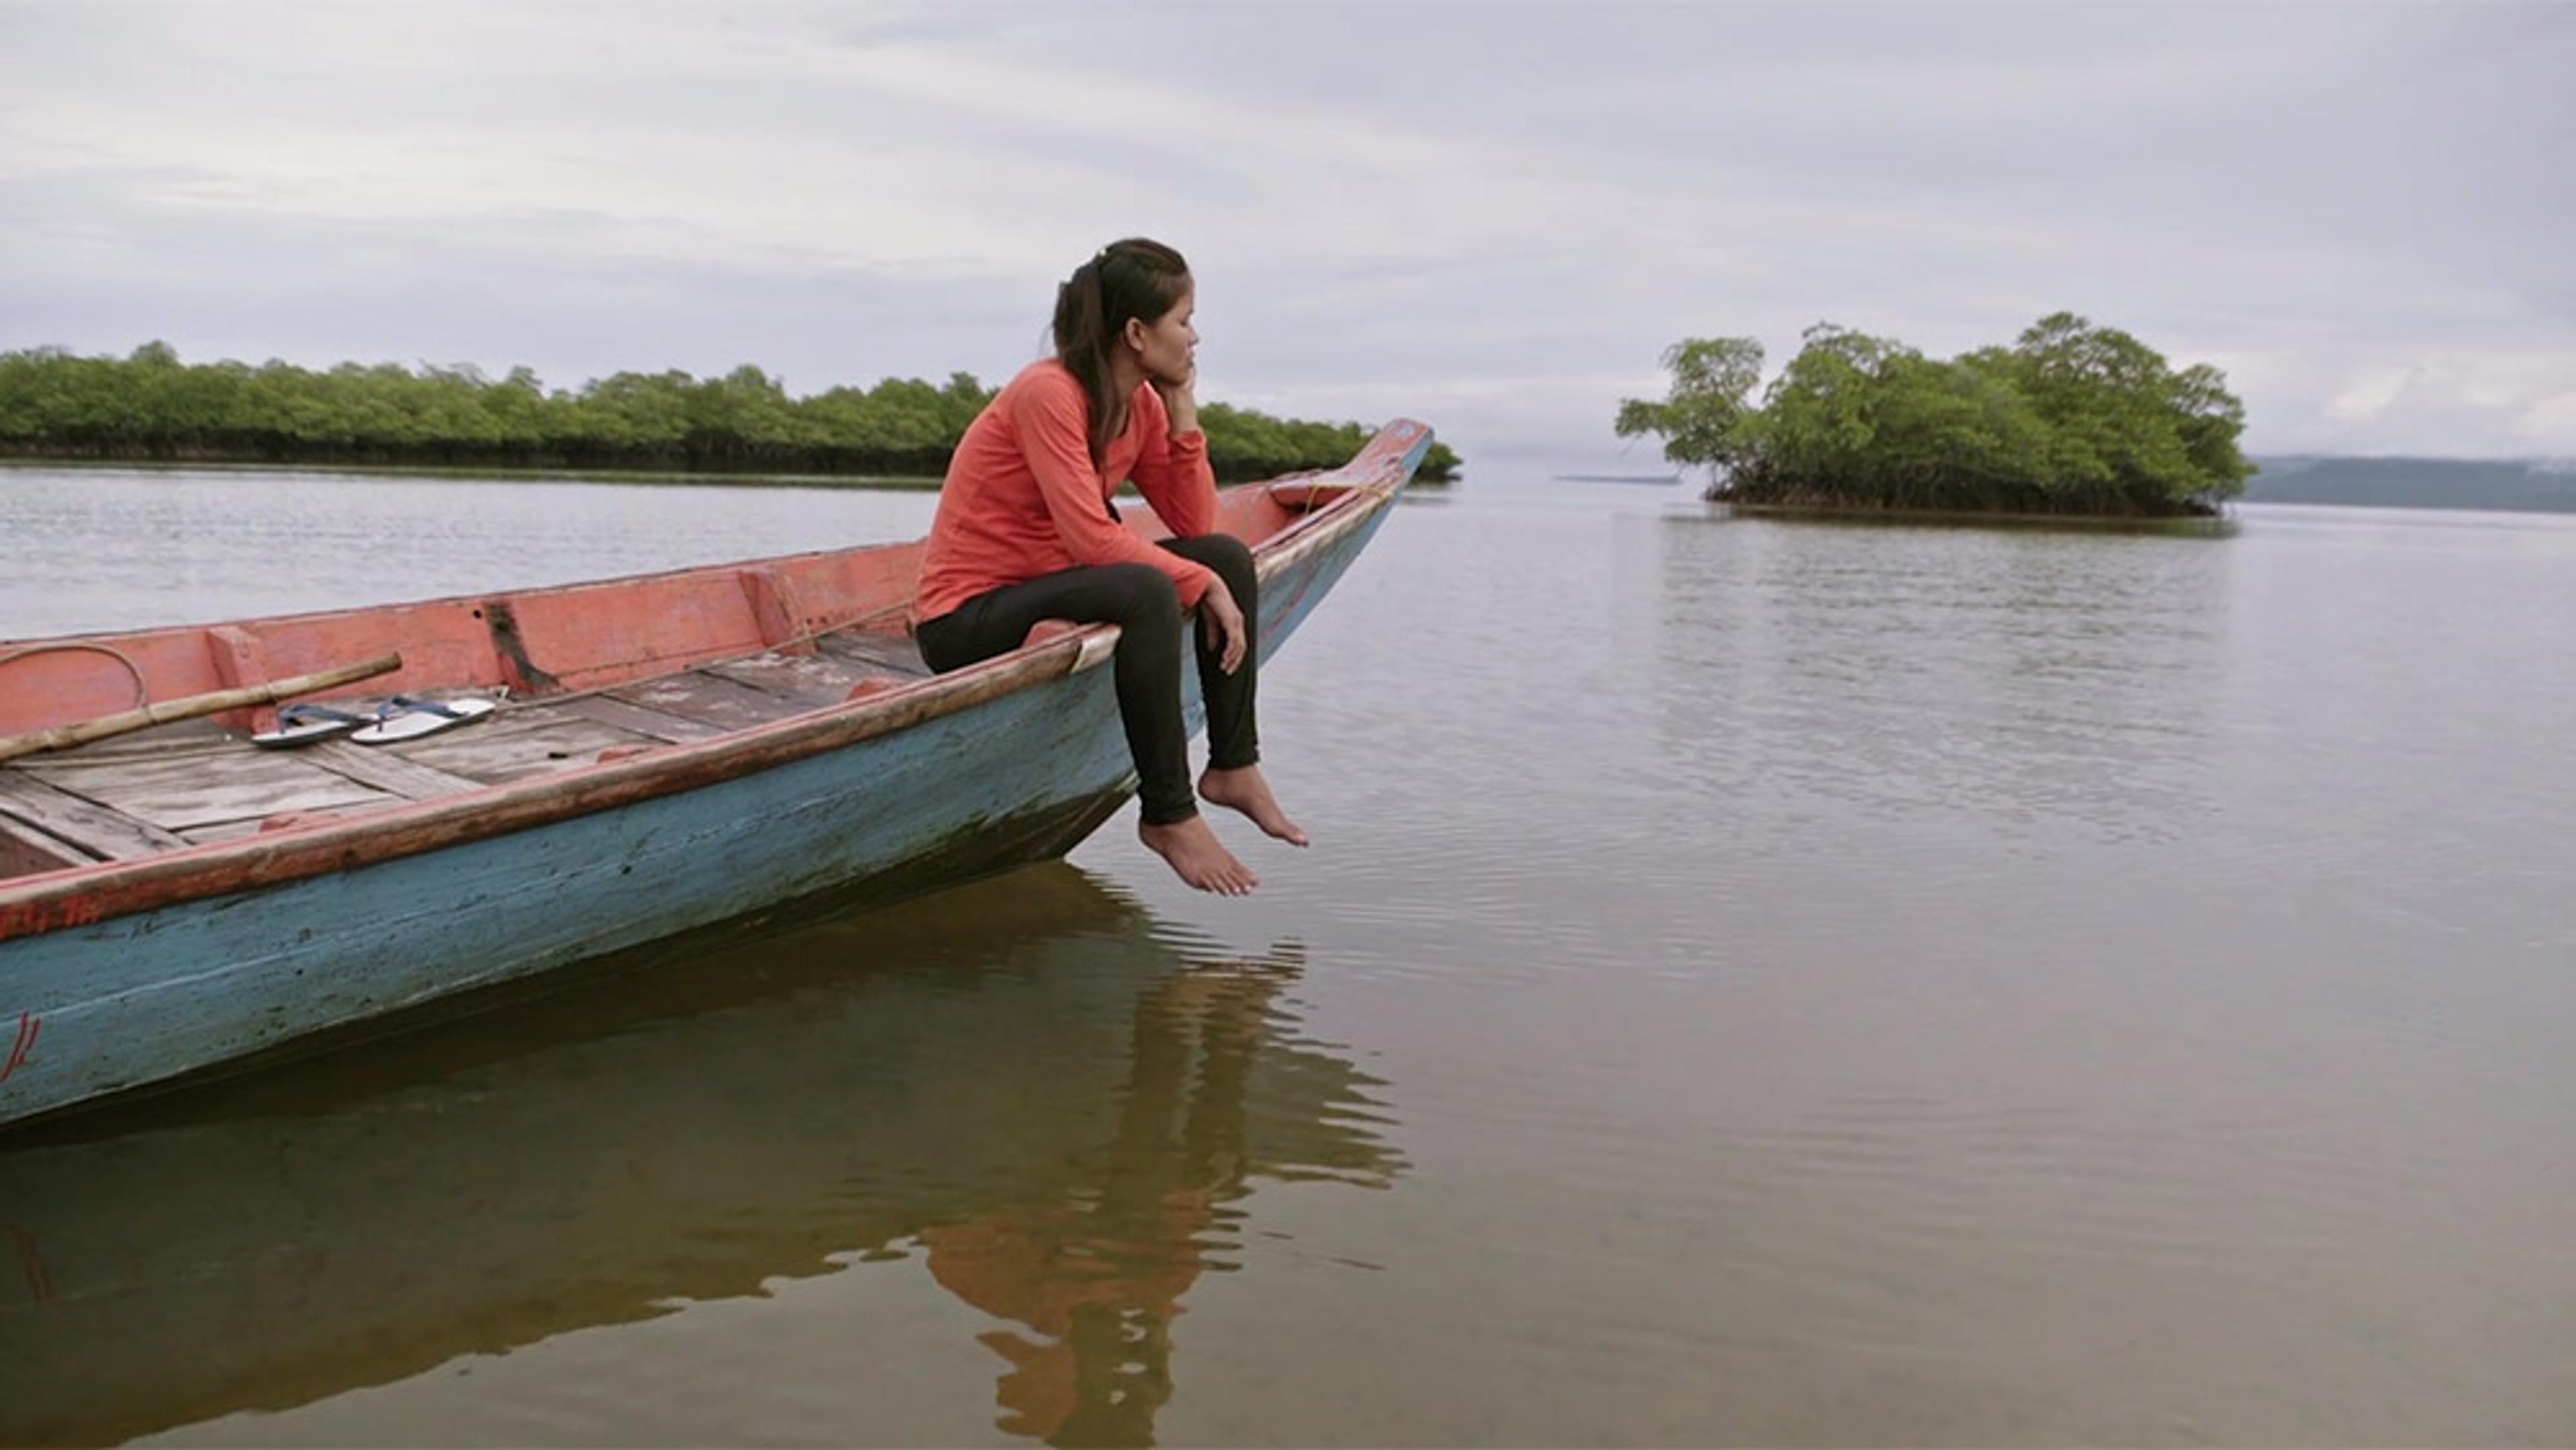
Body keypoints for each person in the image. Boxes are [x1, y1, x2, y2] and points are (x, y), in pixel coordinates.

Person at [912, 238, 1303, 895]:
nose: (1195, 336)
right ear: (1136, 332)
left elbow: (1196, 524)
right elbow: (1092, 540)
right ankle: (1168, 813)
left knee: (1228, 557)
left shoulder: (1141, 406)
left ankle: (1233, 765)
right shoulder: (1049, 393)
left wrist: (1182, 410)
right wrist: (1196, 582)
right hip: (966, 617)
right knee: (1151, 585)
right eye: (1183, 319)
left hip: (1046, 586)